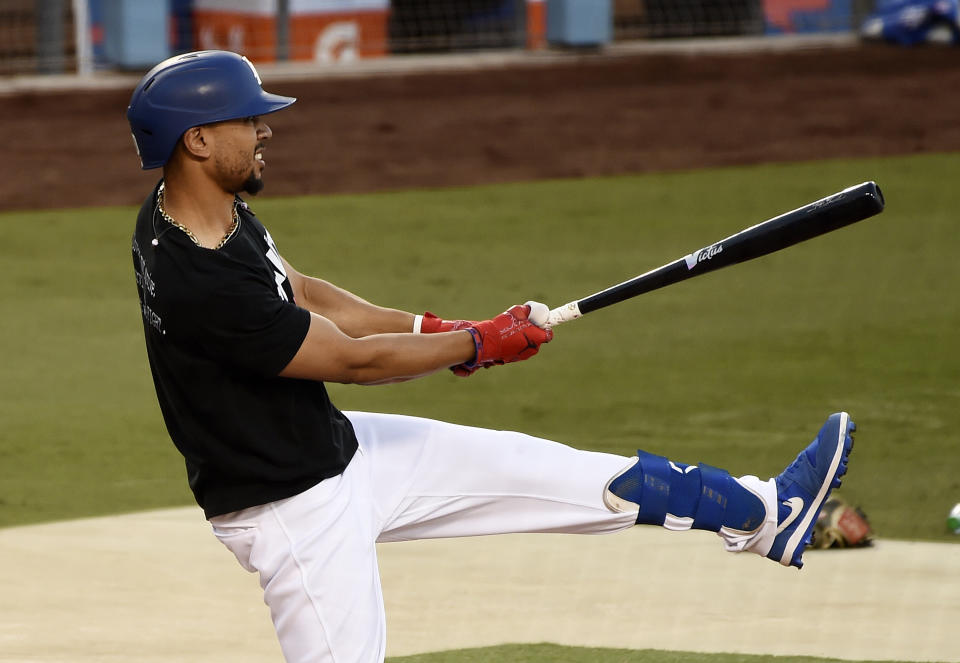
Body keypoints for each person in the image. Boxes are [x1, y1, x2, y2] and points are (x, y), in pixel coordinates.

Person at [128, 51, 856, 663]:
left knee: (574, 477)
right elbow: (352, 360)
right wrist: (478, 342)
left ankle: (769, 513)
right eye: (249, 119)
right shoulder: (201, 281)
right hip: (292, 509)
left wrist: (440, 326)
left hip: (340, 452)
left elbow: (308, 294)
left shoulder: (197, 212)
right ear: (196, 140)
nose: (265, 131)